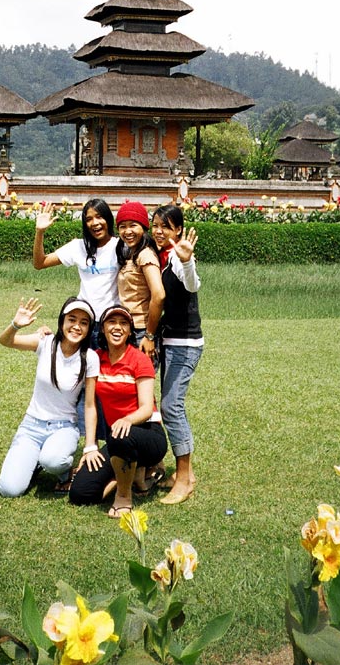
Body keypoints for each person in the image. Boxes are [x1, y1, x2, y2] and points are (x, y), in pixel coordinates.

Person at [68, 303, 167, 517]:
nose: (117, 327)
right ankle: (135, 475)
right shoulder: (96, 358)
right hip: (118, 438)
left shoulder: (139, 359)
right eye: (111, 322)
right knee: (80, 493)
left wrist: (127, 420)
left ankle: (124, 497)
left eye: (124, 323)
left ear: (130, 331)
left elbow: (146, 409)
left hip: (149, 435)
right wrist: (90, 447)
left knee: (119, 436)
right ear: (102, 328)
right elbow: (91, 405)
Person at [0, 296, 99, 498]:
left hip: (64, 427)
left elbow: (89, 405)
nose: (76, 326)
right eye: (72, 319)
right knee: (9, 490)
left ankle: (63, 473)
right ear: (62, 321)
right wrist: (15, 325)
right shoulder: (45, 343)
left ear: (89, 329)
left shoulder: (90, 358)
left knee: (53, 460)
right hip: (31, 426)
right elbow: (6, 341)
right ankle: (33, 461)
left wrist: (90, 446)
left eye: (84, 322)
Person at [152, 203, 202, 505]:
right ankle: (185, 474)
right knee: (164, 405)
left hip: (185, 344)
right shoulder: (157, 257)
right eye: (155, 225)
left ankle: (184, 479)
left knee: (172, 407)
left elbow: (192, 283)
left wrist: (186, 259)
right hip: (166, 342)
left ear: (179, 230)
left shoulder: (179, 257)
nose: (159, 232)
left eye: (166, 227)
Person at [33, 199, 119, 323]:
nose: (95, 223)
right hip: (84, 319)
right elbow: (39, 263)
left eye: (99, 217)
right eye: (89, 219)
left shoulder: (120, 246)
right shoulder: (78, 246)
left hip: (112, 320)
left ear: (108, 219)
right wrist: (39, 232)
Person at [114, 200, 165, 358]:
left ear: (144, 227)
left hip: (142, 330)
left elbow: (159, 295)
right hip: (129, 328)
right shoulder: (130, 254)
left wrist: (149, 335)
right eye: (123, 226)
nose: (127, 231)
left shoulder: (145, 255)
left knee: (141, 381)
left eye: (133, 225)